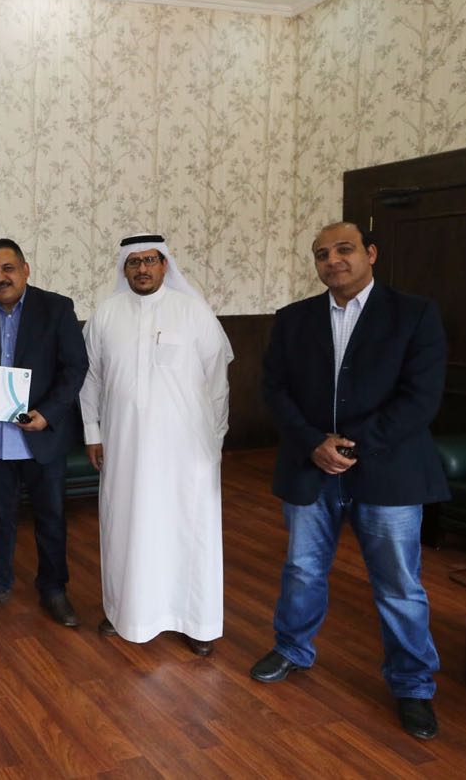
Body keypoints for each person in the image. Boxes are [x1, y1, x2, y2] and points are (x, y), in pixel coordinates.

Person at [252, 222, 447, 740]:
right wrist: (313, 442)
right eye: (322, 254)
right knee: (302, 569)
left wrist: (352, 446)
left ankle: (412, 685)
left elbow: (421, 397)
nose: (333, 260)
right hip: (310, 467)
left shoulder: (414, 314)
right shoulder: (293, 319)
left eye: (345, 249)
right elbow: (274, 390)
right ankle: (292, 647)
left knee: (399, 585)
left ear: (371, 253)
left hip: (388, 471)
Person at [80, 234, 232, 657]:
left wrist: (216, 439)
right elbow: (90, 380)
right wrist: (93, 433)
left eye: (150, 260)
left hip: (188, 449)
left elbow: (218, 382)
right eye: (134, 262)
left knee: (188, 530)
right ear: (123, 268)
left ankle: (196, 620)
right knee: (125, 526)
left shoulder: (193, 312)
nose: (142, 268)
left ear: (165, 264)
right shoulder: (106, 314)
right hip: (124, 445)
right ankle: (125, 611)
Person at [0, 238, 88, 626]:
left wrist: (48, 413)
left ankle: (54, 588)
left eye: (8, 269)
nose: (0, 278)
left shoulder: (57, 309)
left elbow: (74, 368)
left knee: (51, 516)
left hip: (42, 436)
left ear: (25, 270)